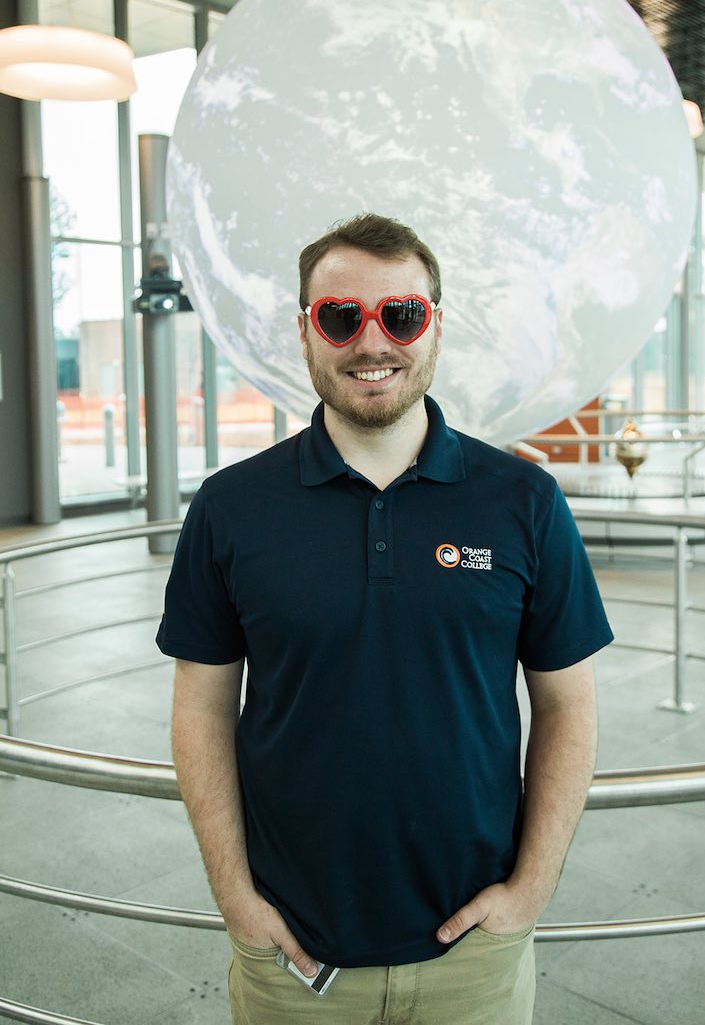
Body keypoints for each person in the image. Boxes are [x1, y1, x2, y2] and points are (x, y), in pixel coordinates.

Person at [157, 213, 613, 1025]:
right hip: (290, 951)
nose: (373, 342)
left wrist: (528, 895)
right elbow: (200, 708)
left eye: (401, 314)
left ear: (435, 325)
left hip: (474, 953)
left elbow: (568, 703)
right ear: (306, 332)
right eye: (341, 317)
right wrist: (236, 899)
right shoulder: (232, 509)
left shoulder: (524, 502)